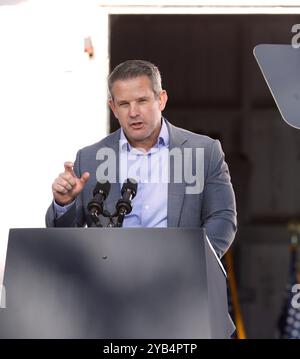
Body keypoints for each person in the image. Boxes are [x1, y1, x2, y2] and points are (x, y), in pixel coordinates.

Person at [46, 59, 237, 258]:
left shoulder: (205, 152)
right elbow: (62, 238)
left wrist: (192, 264)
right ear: (113, 108)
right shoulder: (89, 159)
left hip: (179, 279)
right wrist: (64, 204)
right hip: (110, 281)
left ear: (161, 100)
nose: (133, 113)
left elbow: (222, 219)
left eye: (142, 101)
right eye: (124, 104)